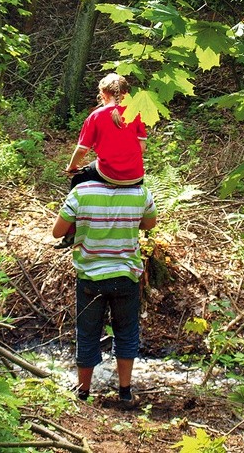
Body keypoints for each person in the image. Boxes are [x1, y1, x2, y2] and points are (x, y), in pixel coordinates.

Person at [52, 179, 157, 409]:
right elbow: (149, 224)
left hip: (90, 277)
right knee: (126, 332)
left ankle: (83, 393)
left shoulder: (81, 192)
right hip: (125, 276)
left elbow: (57, 232)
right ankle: (125, 393)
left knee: (87, 332)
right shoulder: (140, 192)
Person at [55, 73, 147, 249]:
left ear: (103, 94)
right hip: (135, 175)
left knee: (78, 179)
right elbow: (142, 147)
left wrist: (72, 167)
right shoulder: (135, 114)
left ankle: (71, 232)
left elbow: (82, 149)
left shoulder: (96, 116)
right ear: (126, 93)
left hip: (108, 173)